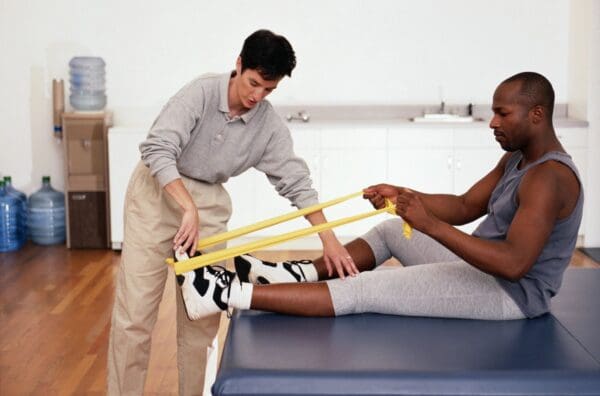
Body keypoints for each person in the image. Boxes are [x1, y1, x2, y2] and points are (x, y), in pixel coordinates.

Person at [176, 71, 584, 322]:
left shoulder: (549, 178)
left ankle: (224, 294)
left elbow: (514, 265)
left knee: (364, 290)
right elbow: (464, 206)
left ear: (537, 115)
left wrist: (430, 225)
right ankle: (295, 275)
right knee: (393, 229)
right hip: (483, 267)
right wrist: (403, 198)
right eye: (493, 112)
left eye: (503, 114)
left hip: (509, 295)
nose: (492, 122)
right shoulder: (517, 158)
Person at [107, 29, 357, 396]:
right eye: (253, 83)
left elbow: (296, 182)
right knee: (134, 318)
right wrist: (184, 205)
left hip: (207, 204)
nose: (257, 96)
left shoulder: (267, 126)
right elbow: (157, 148)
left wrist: (329, 239)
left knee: (202, 317)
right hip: (157, 195)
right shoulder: (201, 93)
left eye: (268, 90)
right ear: (238, 65)